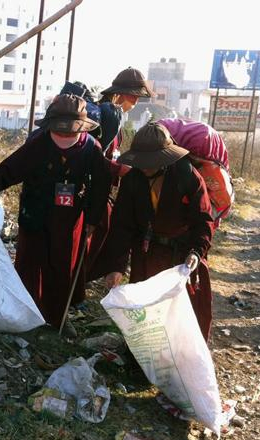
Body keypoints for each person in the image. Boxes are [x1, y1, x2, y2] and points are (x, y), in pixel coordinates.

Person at [0, 94, 111, 334]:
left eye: (71, 132)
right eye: (60, 131)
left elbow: (101, 186)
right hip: (35, 212)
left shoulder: (92, 149)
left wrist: (92, 219)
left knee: (62, 267)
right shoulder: (38, 144)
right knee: (29, 264)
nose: (65, 136)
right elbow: (9, 169)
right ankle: (26, 314)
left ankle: (57, 318)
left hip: (70, 219)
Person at [104, 123, 214, 340]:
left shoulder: (187, 176)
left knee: (178, 315)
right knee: (144, 313)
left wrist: (196, 251)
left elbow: (203, 220)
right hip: (145, 255)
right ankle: (142, 360)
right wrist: (116, 266)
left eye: (150, 162)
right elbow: (121, 226)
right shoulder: (133, 179)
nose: (145, 167)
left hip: (180, 257)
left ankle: (179, 360)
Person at [85, 67, 156, 282]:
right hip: (89, 188)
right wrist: (119, 170)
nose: (134, 103)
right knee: (93, 235)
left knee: (102, 233)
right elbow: (93, 157)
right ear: (121, 93)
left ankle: (84, 282)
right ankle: (77, 286)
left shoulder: (114, 119)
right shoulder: (106, 115)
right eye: (133, 97)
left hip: (103, 187)